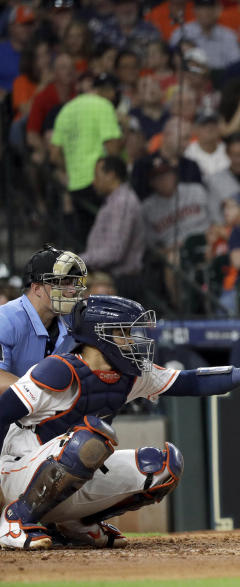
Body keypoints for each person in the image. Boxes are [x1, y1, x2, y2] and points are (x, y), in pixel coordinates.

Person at [0, 295, 240, 549]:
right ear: (97, 336)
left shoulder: (130, 374)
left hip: (68, 469)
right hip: (19, 470)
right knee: (89, 440)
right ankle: (16, 520)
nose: (132, 340)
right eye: (124, 332)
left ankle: (76, 523)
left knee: (162, 467)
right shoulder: (58, 371)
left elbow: (189, 382)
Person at [50, 73, 123, 246]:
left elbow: (54, 155)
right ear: (111, 93)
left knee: (86, 240)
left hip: (76, 185)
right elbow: (112, 148)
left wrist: (69, 168)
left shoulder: (66, 109)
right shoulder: (103, 105)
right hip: (101, 183)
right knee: (107, 239)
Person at [0, 246, 87, 390]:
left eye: (73, 283)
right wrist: (41, 392)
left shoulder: (73, 321)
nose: (72, 290)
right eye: (64, 283)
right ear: (37, 289)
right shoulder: (5, 319)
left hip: (46, 410)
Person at [80, 156, 146, 300]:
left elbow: (114, 252)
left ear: (111, 175)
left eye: (97, 175)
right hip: (110, 278)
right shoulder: (113, 201)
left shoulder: (123, 202)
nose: (94, 181)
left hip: (121, 282)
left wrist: (79, 260)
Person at [169, 0, 240, 72]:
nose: (205, 12)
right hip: (190, 77)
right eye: (201, 8)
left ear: (217, 11)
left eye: (209, 8)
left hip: (222, 78)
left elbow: (237, 63)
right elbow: (172, 62)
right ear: (194, 11)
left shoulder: (228, 35)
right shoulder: (181, 33)